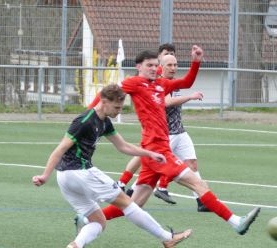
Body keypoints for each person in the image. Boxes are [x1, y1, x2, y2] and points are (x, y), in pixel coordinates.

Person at [84, 46, 260, 236]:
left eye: (155, 65)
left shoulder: (161, 84)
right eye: (149, 65)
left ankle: (86, 219)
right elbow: (105, 95)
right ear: (138, 67)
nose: (153, 68)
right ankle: (236, 222)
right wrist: (87, 115)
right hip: (157, 150)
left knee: (134, 204)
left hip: (155, 150)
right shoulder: (134, 83)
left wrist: (196, 61)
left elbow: (187, 82)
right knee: (198, 184)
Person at [32, 84, 192, 248]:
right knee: (127, 203)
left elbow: (122, 146)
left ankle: (76, 246)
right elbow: (60, 149)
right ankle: (167, 238)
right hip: (81, 173)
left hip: (66, 178)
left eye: (121, 107)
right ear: (103, 101)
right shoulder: (84, 121)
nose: (119, 111)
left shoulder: (105, 122)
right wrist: (45, 176)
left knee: (98, 221)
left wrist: (148, 153)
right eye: (116, 107)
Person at [116, 43, 177, 195]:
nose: (170, 58)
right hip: (156, 132)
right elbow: (166, 102)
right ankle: (127, 184)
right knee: (151, 158)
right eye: (166, 54)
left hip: (172, 130)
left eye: (172, 54)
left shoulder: (167, 78)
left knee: (151, 160)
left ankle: (135, 187)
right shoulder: (153, 78)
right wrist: (190, 97)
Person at [153, 53, 210, 212]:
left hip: (180, 132)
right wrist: (190, 97)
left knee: (192, 164)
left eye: (175, 65)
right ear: (161, 67)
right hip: (166, 134)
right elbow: (167, 102)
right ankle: (131, 193)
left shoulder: (176, 83)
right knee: (152, 171)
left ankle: (201, 201)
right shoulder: (159, 83)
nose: (173, 68)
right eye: (169, 65)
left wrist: (196, 61)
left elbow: (188, 81)